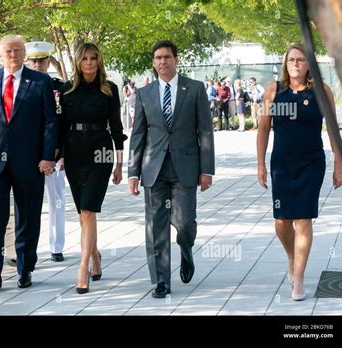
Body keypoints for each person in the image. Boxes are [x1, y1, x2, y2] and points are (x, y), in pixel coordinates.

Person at [0, 35, 58, 290]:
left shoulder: (40, 82)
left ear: (24, 54)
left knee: (27, 216)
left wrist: (47, 156)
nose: (13, 55)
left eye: (18, 50)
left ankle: (25, 268)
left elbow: (50, 122)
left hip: (30, 162)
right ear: (0, 54)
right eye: (8, 51)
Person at [257, 43, 342, 301]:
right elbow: (263, 129)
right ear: (285, 63)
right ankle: (293, 257)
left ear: (309, 64)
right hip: (282, 164)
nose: (295, 64)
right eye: (291, 59)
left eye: (301, 60)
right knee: (282, 222)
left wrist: (338, 165)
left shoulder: (322, 92)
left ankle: (299, 279)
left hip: (311, 163)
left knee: (304, 219)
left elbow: (333, 131)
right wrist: (260, 164)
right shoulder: (273, 92)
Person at [128, 40, 215, 298]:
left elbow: (206, 132)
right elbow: (137, 135)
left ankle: (186, 251)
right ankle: (161, 281)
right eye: (158, 58)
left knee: (185, 222)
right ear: (153, 63)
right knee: (156, 225)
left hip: (186, 168)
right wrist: (133, 172)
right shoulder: (144, 94)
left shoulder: (195, 89)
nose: (162, 61)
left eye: (167, 57)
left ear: (176, 59)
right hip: (153, 169)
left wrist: (207, 169)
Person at [59, 43, 126, 294]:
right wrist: (59, 155)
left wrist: (119, 164)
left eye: (93, 58)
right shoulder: (67, 90)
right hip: (74, 152)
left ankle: (83, 266)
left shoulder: (110, 89)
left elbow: (117, 128)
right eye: (85, 58)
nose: (89, 62)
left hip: (101, 151)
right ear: (78, 61)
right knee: (83, 213)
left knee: (88, 209)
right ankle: (96, 257)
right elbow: (61, 126)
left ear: (99, 61)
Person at [21, 40, 66, 263]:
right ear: (28, 62)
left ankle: (56, 247)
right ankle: (27, 249)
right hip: (28, 153)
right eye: (34, 61)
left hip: (55, 155)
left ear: (48, 62)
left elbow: (66, 122)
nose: (38, 65)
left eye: (42, 61)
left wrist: (64, 152)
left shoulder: (60, 87)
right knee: (27, 204)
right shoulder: (20, 86)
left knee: (56, 200)